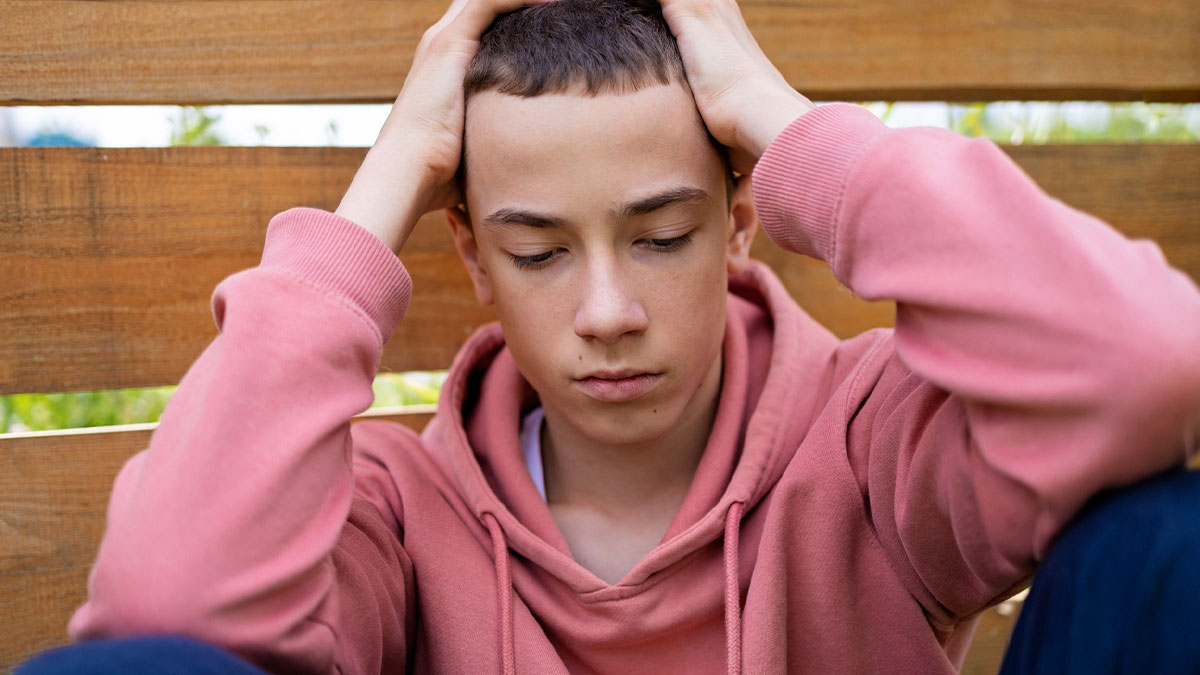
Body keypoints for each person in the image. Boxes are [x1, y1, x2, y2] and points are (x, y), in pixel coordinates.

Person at [18, 0, 1200, 672]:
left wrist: (791, 132)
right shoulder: (387, 504)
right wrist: (383, 186)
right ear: (473, 258)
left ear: (742, 222)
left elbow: (1147, 363)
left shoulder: (873, 441)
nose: (606, 312)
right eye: (536, 252)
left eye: (663, 236)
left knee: (1170, 544)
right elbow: (169, 611)